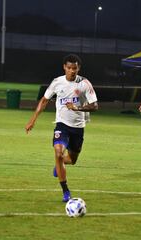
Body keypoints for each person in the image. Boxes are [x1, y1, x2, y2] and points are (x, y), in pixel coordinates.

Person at [25, 54, 98, 202]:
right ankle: (66, 191)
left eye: (75, 68)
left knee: (71, 160)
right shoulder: (57, 82)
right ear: (64, 67)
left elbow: (95, 106)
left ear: (79, 69)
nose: (72, 71)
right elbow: (44, 100)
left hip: (78, 127)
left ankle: (59, 165)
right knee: (58, 153)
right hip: (62, 125)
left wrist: (77, 107)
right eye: (69, 68)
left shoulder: (84, 83)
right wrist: (32, 120)